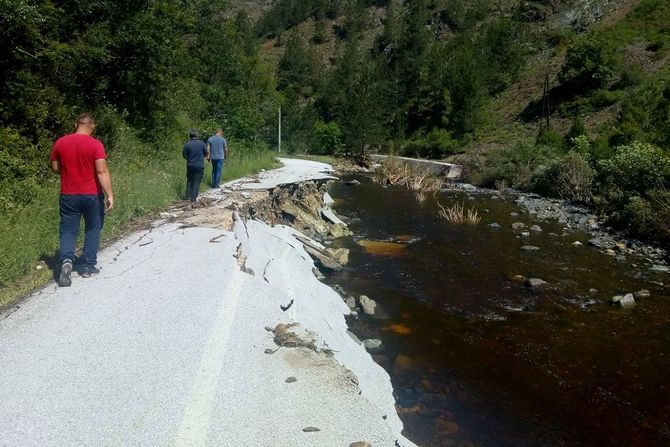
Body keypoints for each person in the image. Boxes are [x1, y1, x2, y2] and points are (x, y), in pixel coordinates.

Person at [50, 112, 114, 287]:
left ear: (76, 124)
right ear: (91, 126)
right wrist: (109, 194)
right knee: (93, 228)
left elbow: (55, 168)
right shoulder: (95, 144)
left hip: (68, 195)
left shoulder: (61, 143)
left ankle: (67, 261)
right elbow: (101, 171)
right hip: (91, 195)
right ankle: (87, 267)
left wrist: (70, 171)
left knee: (68, 230)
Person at [182, 129, 208, 203]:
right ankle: (193, 199)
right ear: (197, 135)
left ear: (190, 136)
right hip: (199, 165)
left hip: (190, 165)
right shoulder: (202, 144)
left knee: (190, 180)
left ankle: (187, 196)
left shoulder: (187, 144)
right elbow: (206, 153)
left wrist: (189, 158)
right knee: (196, 181)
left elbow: (184, 155)